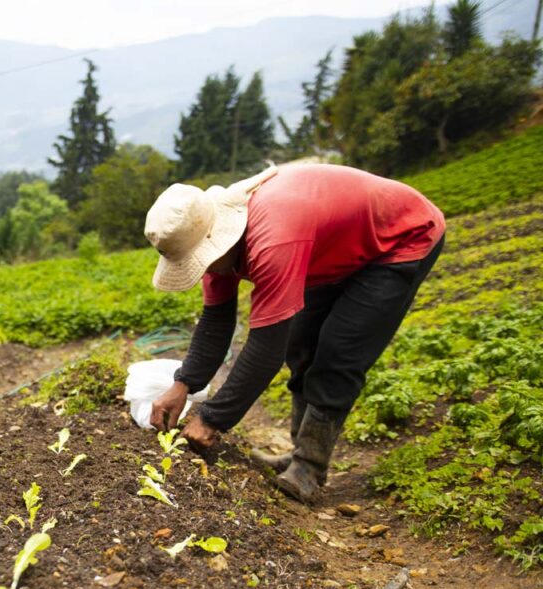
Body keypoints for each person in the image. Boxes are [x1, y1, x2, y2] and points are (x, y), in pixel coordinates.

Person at [145, 163, 445, 503]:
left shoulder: (272, 240)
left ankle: (309, 466)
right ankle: (299, 451)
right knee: (302, 343)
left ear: (215, 242)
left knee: (337, 352)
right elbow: (216, 323)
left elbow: (266, 348)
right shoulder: (216, 249)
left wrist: (212, 419)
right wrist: (183, 384)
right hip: (332, 243)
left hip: (400, 237)